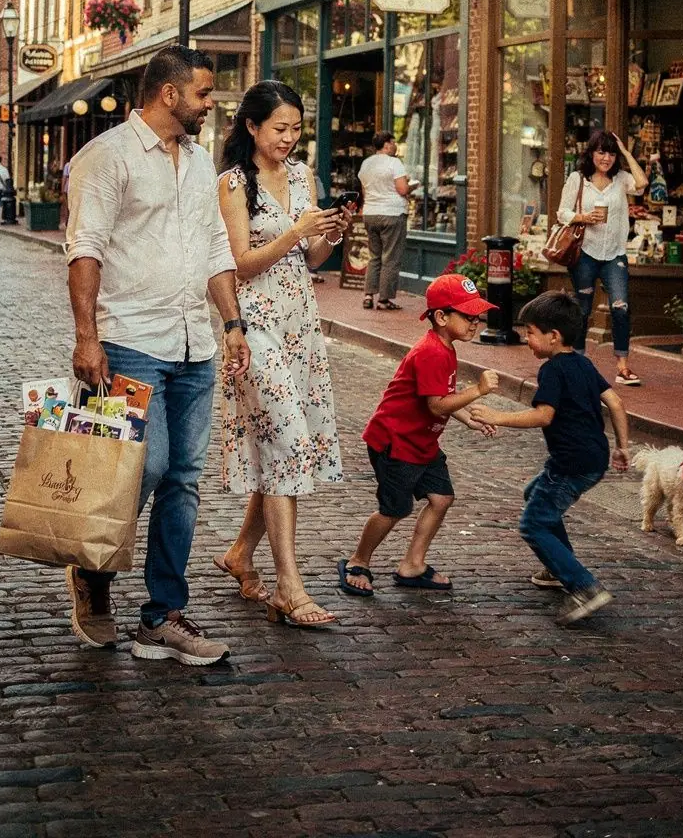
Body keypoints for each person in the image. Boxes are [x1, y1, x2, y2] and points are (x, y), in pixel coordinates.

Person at [65, 45, 250, 666]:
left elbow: (215, 247)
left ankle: (162, 617)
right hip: (130, 339)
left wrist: (232, 323)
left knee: (183, 479)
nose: (210, 104)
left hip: (194, 341)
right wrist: (87, 337)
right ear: (169, 94)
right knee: (143, 468)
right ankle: (92, 573)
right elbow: (85, 250)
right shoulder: (107, 157)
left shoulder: (198, 162)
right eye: (203, 93)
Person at [218, 80, 352, 628]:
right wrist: (297, 229)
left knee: (280, 444)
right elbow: (239, 263)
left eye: (296, 128)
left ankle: (240, 554)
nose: (289, 138)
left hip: (299, 322)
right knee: (289, 440)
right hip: (254, 324)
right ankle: (288, 587)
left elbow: (312, 257)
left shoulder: (301, 175)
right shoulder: (232, 183)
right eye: (280, 128)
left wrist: (331, 234)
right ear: (252, 126)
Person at [337, 274, 499, 599]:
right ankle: (358, 561)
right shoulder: (431, 352)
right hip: (396, 443)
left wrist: (468, 418)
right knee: (393, 510)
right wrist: (477, 391)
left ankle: (412, 564)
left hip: (422, 442)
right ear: (442, 317)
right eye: (468, 316)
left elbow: (442, 397)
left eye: (478, 316)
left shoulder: (445, 348)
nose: (475, 323)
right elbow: (437, 404)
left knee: (441, 498)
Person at [472, 290, 629, 624]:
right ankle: (559, 566)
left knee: (533, 524)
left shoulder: (552, 370)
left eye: (530, 332)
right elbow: (615, 402)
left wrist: (497, 416)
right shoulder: (583, 363)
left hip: (570, 463)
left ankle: (584, 586)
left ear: (553, 336)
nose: (527, 339)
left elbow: (543, 416)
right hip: (594, 458)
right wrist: (622, 446)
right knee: (535, 494)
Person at [557, 129, 647, 386]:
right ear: (591, 153)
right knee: (583, 309)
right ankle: (577, 362)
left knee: (621, 307)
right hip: (585, 252)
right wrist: (583, 217)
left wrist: (626, 152)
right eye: (601, 152)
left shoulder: (621, 179)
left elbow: (642, 184)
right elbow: (562, 213)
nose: (606, 158)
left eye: (611, 154)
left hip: (614, 255)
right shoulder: (578, 179)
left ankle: (623, 367)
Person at [358, 131, 413, 311]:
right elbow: (402, 189)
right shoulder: (394, 163)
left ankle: (368, 295)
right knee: (390, 257)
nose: (395, 146)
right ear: (387, 145)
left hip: (371, 212)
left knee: (374, 256)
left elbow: (365, 191)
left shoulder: (366, 163)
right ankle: (384, 299)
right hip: (392, 213)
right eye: (393, 143)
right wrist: (412, 185)